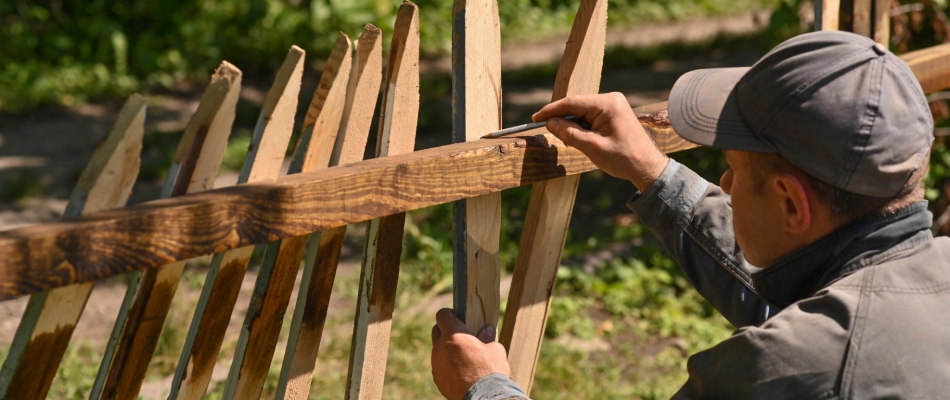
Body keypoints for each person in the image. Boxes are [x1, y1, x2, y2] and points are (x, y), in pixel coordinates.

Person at [430, 30, 950, 399]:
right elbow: (805, 302)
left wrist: (486, 389)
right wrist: (654, 173)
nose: (724, 184)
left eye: (733, 170)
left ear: (792, 203)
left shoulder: (786, 369)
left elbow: (815, 344)